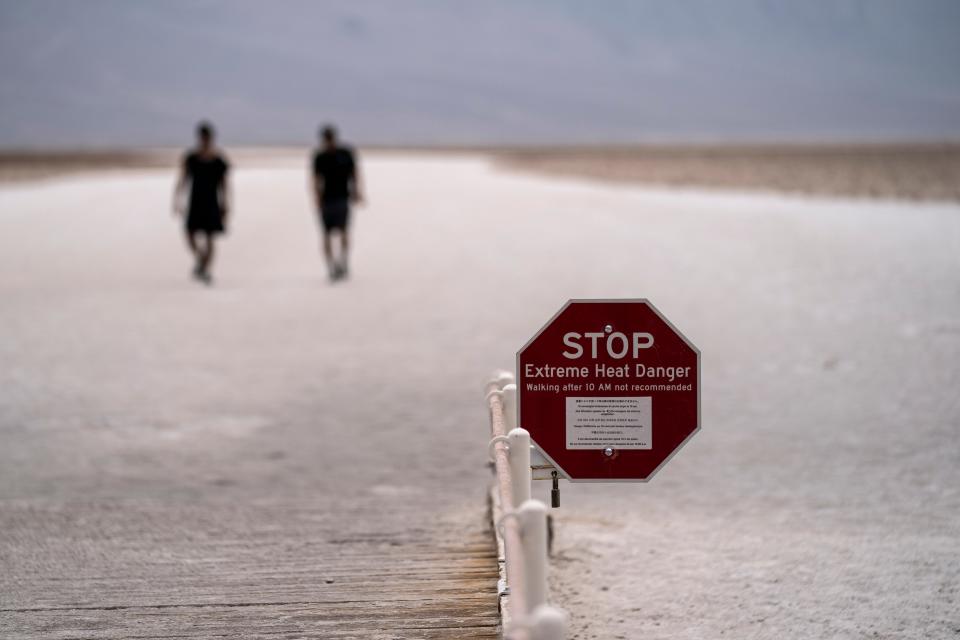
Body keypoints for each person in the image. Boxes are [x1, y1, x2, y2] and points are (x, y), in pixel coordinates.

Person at [173, 122, 230, 284]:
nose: (204, 140)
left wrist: (226, 204)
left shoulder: (218, 160)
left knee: (210, 237)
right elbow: (182, 179)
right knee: (190, 234)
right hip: (196, 201)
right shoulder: (191, 158)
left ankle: (205, 269)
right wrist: (177, 200)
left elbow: (224, 184)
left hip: (212, 201)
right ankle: (200, 259)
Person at [312, 125, 362, 281]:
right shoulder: (320, 156)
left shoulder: (345, 153)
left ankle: (343, 262)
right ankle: (331, 266)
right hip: (328, 199)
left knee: (343, 231)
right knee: (326, 234)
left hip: (342, 198)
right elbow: (315, 179)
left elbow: (354, 173)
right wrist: (317, 198)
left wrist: (356, 191)